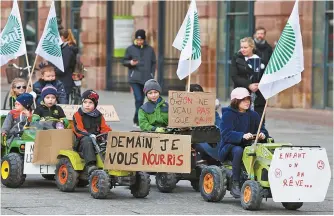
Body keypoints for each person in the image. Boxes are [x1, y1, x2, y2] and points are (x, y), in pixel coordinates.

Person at [218, 87, 268, 198]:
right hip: (229, 147)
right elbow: (226, 134)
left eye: (248, 99)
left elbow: (262, 129)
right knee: (239, 150)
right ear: (235, 101)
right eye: (243, 99)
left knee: (263, 149)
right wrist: (242, 136)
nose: (247, 102)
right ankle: (235, 182)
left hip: (250, 145)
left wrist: (262, 135)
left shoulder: (253, 115)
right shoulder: (228, 114)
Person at [123, 29, 157, 128]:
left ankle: (136, 118)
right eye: (138, 40)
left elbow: (153, 62)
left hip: (147, 79)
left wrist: (152, 74)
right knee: (138, 98)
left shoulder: (150, 49)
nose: (139, 42)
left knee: (143, 100)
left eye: (141, 40)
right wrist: (130, 63)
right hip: (134, 79)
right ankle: (138, 120)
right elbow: (124, 61)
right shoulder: (130, 49)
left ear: (144, 39)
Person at [72, 90, 112, 174]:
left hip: (97, 139)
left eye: (90, 103)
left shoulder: (99, 115)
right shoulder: (78, 115)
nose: (87, 105)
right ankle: (91, 164)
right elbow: (78, 129)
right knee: (87, 140)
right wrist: (89, 135)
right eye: (85, 102)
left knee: (109, 140)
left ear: (95, 104)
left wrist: (109, 134)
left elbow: (104, 127)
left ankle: (111, 162)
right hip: (82, 141)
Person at [231, 37, 267, 122]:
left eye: (245, 47)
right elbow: (234, 76)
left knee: (258, 120)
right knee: (241, 119)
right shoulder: (236, 58)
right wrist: (248, 85)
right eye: (241, 47)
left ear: (252, 47)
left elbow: (266, 74)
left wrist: (260, 84)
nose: (242, 49)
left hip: (258, 94)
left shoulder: (260, 58)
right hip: (241, 93)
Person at [55, 29, 79, 101]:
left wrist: (53, 71)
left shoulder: (67, 50)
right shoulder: (65, 48)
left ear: (62, 37)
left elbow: (63, 67)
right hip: (64, 81)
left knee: (63, 105)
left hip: (64, 81)